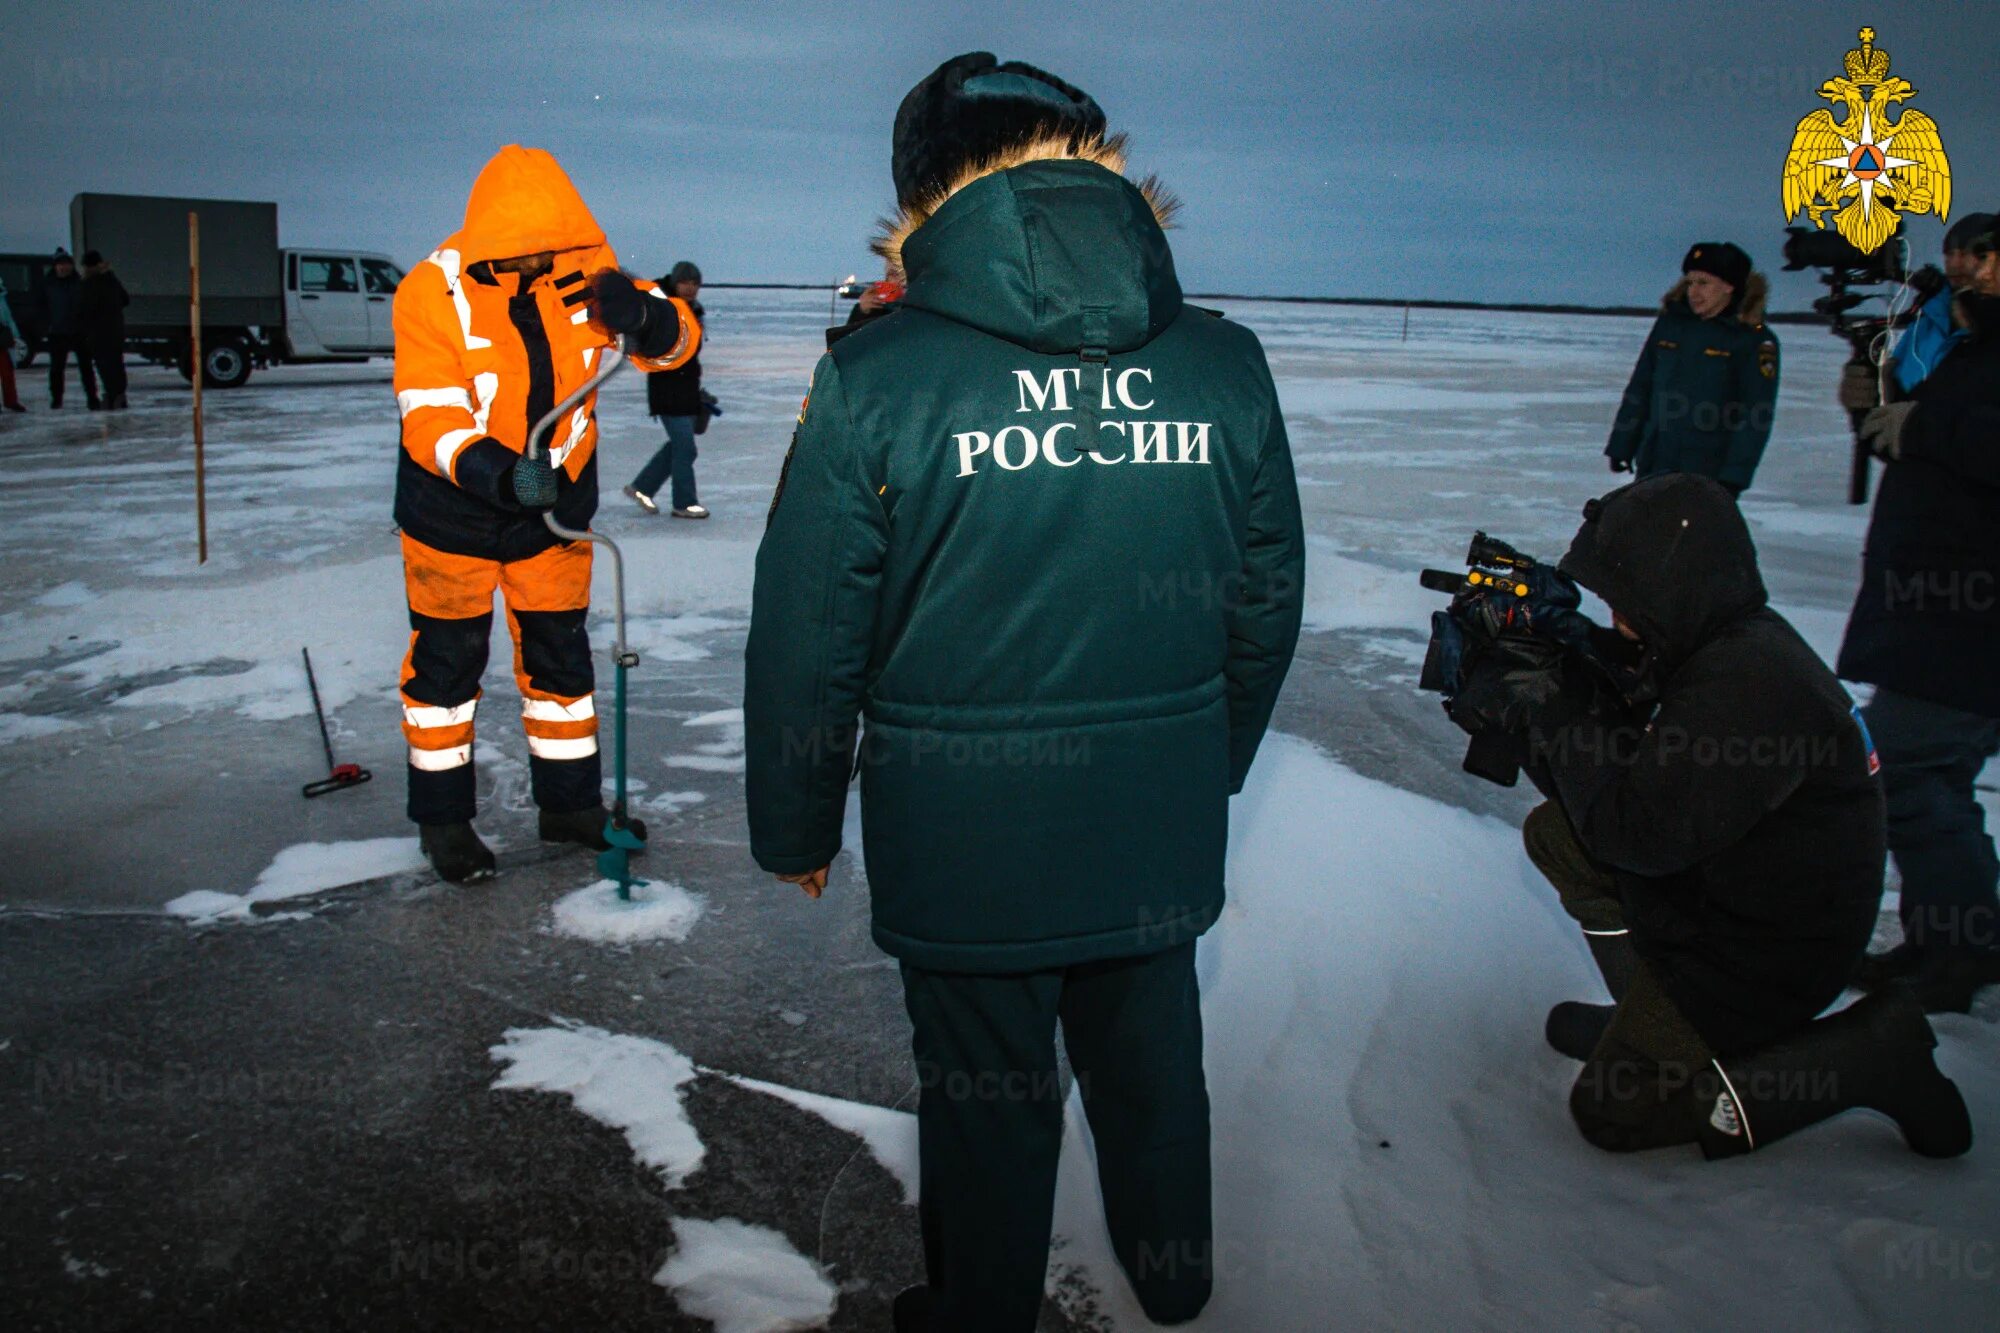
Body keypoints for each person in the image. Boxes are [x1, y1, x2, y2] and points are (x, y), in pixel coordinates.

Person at [744, 52, 1305, 1333]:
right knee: (1153, 1061)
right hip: (1150, 821)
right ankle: (1176, 1278)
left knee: (987, 1087)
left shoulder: (878, 378)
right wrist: (1195, 759)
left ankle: (981, 1311)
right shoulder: (1223, 366)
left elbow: (811, 626)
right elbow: (1265, 596)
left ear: (925, 195)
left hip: (968, 836)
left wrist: (794, 820)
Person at [1473, 474, 1970, 1160]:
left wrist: (1554, 705)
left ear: (1672, 587)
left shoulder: (1748, 685)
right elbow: (1611, 786)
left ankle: (1872, 1051)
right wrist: (1532, 704)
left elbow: (1635, 834)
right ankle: (1650, 1016)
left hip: (1767, 957)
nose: (1618, 619)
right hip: (1731, 895)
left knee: (1612, 1112)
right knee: (1560, 836)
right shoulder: (1722, 644)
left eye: (1625, 602)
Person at [393, 145, 701, 883]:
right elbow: (431, 415)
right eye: (524, 254)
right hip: (452, 518)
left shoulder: (582, 272)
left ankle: (568, 805)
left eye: (549, 249)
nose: (539, 265)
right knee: (446, 671)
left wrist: (649, 319)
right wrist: (500, 475)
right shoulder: (431, 293)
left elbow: (678, 341)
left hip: (553, 515)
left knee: (560, 660)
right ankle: (444, 821)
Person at [1841, 212, 2000, 1012]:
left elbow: (1967, 443)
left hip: (1969, 621)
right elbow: (1935, 455)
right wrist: (1876, 409)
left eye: (1981, 255)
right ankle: (1951, 943)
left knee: (1905, 771)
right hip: (1937, 610)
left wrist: (1924, 422)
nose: (1962, 267)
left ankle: (1961, 952)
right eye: (1957, 254)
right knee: (1935, 779)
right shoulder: (1970, 352)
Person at [1605, 243, 1779, 495]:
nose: (1693, 292)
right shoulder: (1669, 327)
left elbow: (1756, 415)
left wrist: (1734, 476)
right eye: (1689, 283)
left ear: (1729, 286)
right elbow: (1640, 388)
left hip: (1707, 472)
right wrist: (1622, 444)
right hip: (1655, 462)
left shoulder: (1752, 341)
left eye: (1703, 283)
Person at [624, 260, 709, 518]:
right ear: (675, 282)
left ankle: (641, 487)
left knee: (679, 445)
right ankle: (684, 503)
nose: (690, 288)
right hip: (667, 388)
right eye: (685, 282)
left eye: (695, 283)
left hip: (686, 388)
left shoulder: (693, 309)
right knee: (685, 448)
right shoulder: (664, 311)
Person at [38, 250, 98, 410]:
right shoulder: (48, 284)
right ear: (55, 267)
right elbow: (41, 307)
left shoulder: (80, 283)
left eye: (66, 264)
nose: (63, 268)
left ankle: (92, 398)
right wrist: (46, 326)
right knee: (57, 369)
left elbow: (88, 307)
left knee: (86, 368)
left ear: (71, 266)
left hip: (79, 332)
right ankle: (56, 399)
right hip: (57, 333)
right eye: (60, 265)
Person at [77, 250, 130, 410]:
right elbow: (125, 299)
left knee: (104, 366)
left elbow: (84, 310)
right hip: (115, 331)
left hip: (98, 333)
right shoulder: (111, 280)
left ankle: (112, 396)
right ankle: (119, 396)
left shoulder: (88, 284)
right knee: (116, 364)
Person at [0, 273, 25, 412]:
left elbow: (8, 318)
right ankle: (10, 401)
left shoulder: (2, 298)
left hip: (3, 339)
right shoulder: (2, 298)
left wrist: (15, 335)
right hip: (3, 338)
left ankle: (11, 400)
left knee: (7, 372)